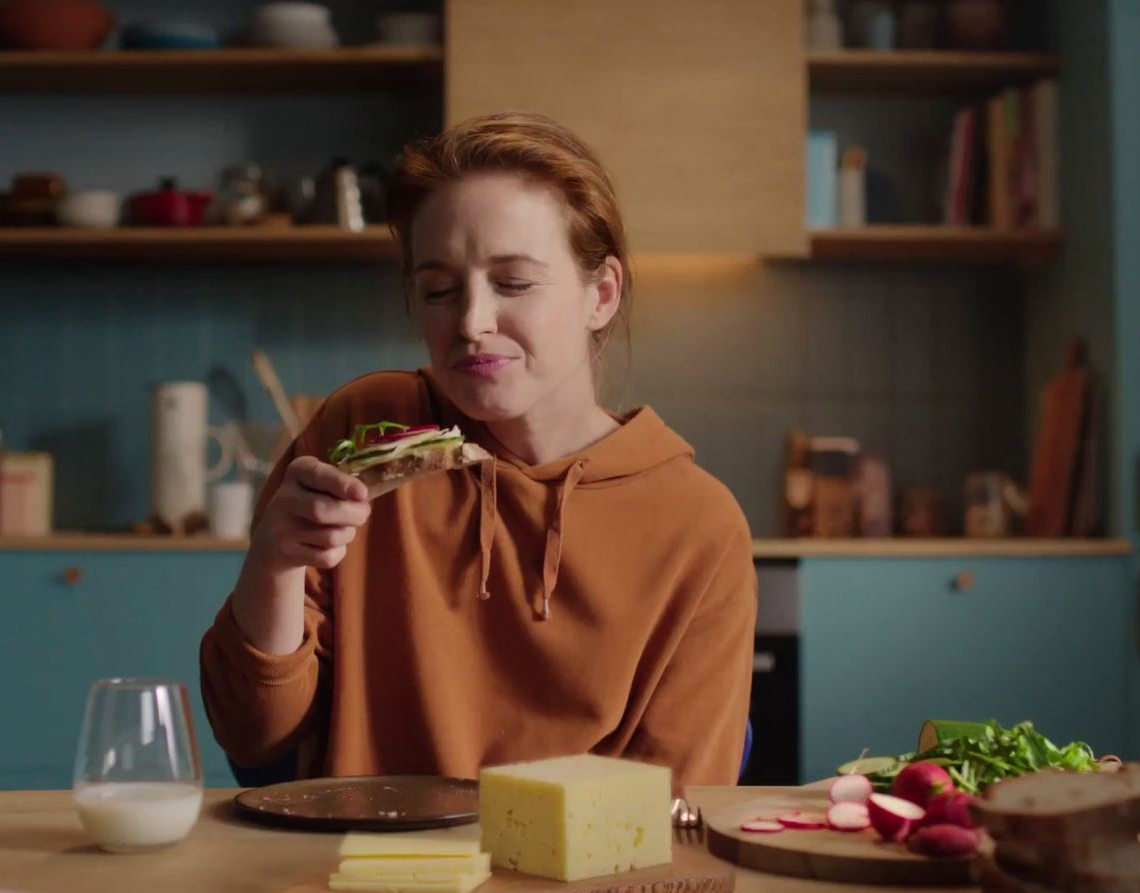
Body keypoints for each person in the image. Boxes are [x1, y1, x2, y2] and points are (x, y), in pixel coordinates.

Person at [200, 112, 757, 788]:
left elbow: (672, 813)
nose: (470, 323)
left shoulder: (698, 525)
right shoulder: (369, 433)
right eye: (439, 290)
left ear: (601, 294)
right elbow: (254, 739)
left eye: (514, 283)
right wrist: (275, 565)